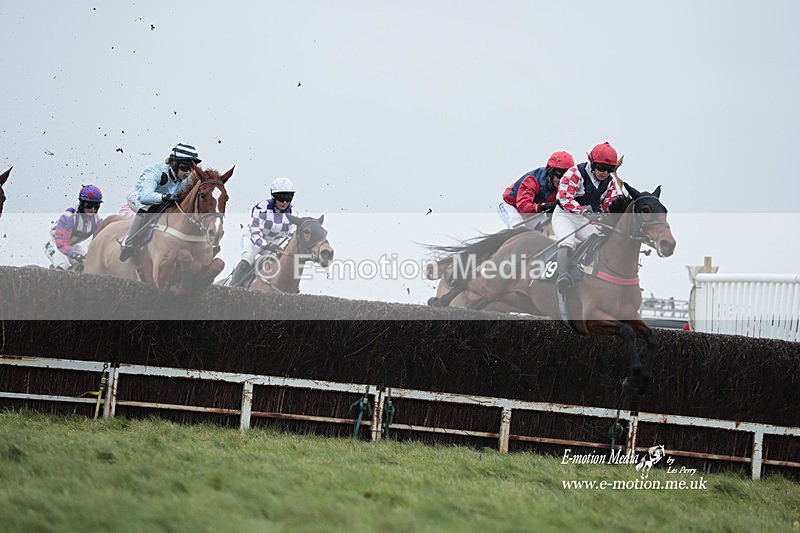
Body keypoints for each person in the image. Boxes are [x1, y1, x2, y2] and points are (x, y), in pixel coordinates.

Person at [551, 141, 621, 292]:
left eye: (610, 169)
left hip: (586, 220)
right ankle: (562, 276)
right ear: (592, 163)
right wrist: (583, 211)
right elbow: (564, 198)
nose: (605, 173)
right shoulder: (574, 174)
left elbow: (608, 205)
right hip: (565, 216)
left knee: (600, 242)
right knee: (567, 241)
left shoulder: (610, 183)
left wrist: (605, 216)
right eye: (602, 168)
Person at [118, 143, 201, 261]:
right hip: (139, 197)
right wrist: (165, 197)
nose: (188, 172)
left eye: (192, 168)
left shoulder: (187, 177)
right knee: (146, 208)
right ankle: (129, 242)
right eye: (185, 167)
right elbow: (145, 197)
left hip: (164, 200)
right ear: (173, 163)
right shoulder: (154, 172)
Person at [228, 177, 298, 287]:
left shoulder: (293, 213)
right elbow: (255, 233)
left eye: (288, 199)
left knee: (278, 265)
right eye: (281, 198)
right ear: (274, 197)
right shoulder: (261, 208)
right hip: (253, 239)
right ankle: (231, 287)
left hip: (275, 242)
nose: (284, 202)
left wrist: (284, 247)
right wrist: (266, 245)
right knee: (247, 258)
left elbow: (291, 235)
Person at [498, 151, 575, 230]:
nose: (563, 180)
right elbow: (523, 208)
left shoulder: (565, 186)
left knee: (552, 227)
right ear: (551, 172)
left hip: (533, 210)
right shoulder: (532, 180)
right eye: (560, 175)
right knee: (519, 228)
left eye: (567, 176)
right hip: (511, 205)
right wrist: (545, 206)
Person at [44, 185, 103, 270]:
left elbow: (96, 241)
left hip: (73, 245)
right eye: (89, 205)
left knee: (87, 265)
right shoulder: (69, 217)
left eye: (96, 205)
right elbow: (61, 243)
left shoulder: (97, 221)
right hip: (55, 243)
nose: (93, 209)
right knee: (63, 265)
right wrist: (75, 255)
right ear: (81, 203)